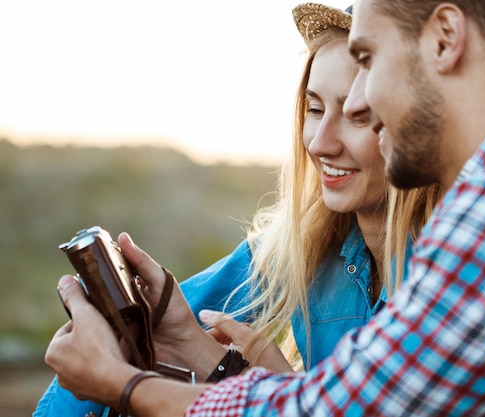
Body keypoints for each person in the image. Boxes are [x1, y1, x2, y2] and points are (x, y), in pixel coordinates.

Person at [45, 0, 485, 415]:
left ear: (446, 38)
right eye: (318, 106)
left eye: (368, 59)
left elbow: (337, 408)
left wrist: (121, 385)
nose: (366, 100)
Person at [34, 3, 442, 417]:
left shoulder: (454, 274)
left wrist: (276, 382)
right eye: (315, 109)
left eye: (358, 116)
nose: (320, 143)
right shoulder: (298, 248)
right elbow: (169, 324)